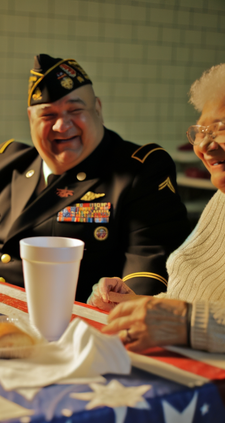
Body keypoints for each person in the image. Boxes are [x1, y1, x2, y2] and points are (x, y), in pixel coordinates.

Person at [0, 54, 191, 303]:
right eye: (48, 115)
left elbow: (148, 266)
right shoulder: (6, 162)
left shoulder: (138, 170)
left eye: (75, 111)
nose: (61, 126)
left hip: (68, 328)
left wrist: (119, 308)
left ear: (98, 109)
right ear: (30, 119)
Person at [88, 63, 225, 354]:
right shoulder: (221, 198)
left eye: (221, 128)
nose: (206, 145)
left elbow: (195, 317)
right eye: (201, 131)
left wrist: (184, 321)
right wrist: (139, 304)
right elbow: (198, 298)